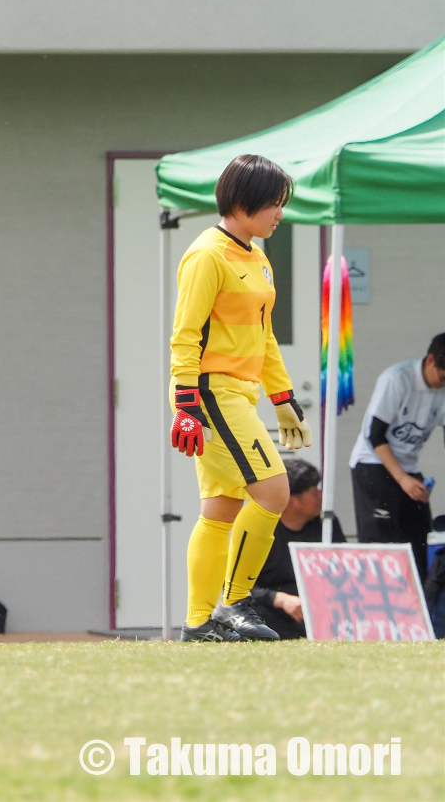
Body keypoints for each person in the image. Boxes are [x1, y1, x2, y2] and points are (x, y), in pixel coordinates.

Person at [169, 154, 313, 642]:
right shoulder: (207, 254)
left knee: (221, 510)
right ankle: (235, 602)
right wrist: (186, 403)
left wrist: (282, 396)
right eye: (275, 203)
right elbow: (185, 335)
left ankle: (197, 624)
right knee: (274, 492)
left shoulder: (256, 256)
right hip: (211, 392)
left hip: (239, 393)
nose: (280, 213)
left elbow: (263, 336)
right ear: (243, 201)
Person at [348, 334, 445, 582]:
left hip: (407, 467)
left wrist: (408, 478)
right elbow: (375, 434)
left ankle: (417, 605)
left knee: (418, 537)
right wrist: (402, 479)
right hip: (373, 462)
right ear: (431, 359)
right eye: (443, 377)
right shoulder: (397, 379)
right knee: (382, 541)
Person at [248, 459, 345, 640]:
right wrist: (279, 599)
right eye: (314, 492)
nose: (321, 496)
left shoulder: (328, 524)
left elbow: (344, 568)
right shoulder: (261, 530)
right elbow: (236, 586)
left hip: (323, 610)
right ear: (292, 501)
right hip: (274, 611)